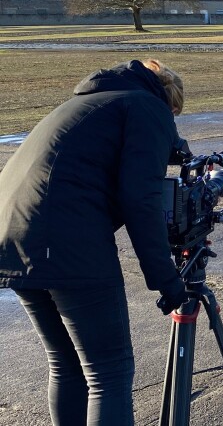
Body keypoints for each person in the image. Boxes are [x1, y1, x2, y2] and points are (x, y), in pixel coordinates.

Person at [0, 59, 190, 426]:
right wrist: (167, 280)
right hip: (67, 243)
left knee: (67, 364)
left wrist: (171, 144)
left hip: (12, 236)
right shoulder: (148, 107)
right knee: (110, 372)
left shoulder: (94, 101)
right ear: (167, 100)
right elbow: (141, 200)